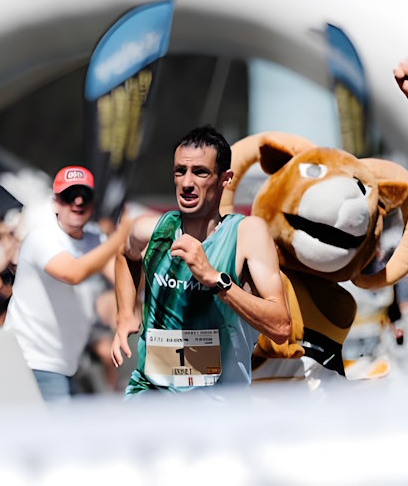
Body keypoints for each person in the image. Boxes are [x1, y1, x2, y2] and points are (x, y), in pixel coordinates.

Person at [112, 126, 290, 396]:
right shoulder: (150, 230)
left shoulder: (246, 234)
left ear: (225, 179)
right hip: (150, 394)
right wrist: (126, 314)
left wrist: (215, 279)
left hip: (216, 410)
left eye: (200, 172)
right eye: (180, 171)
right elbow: (125, 254)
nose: (186, 183)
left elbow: (281, 326)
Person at [3, 166, 132, 402]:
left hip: (65, 364)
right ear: (55, 203)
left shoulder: (96, 241)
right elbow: (73, 273)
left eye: (85, 194)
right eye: (69, 195)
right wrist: (121, 236)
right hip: (30, 361)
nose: (78, 201)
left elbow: (127, 279)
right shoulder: (41, 237)